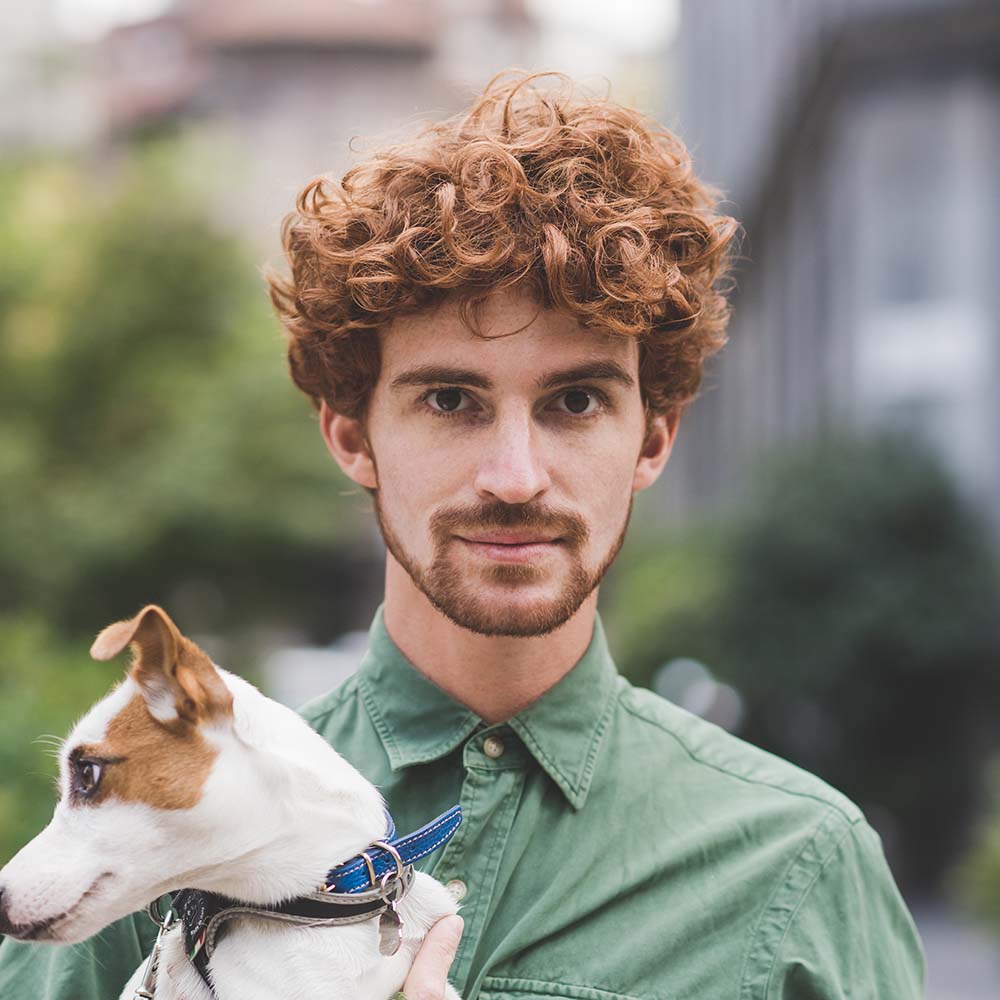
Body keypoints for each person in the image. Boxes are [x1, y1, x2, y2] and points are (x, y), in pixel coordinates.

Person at [0, 71, 924, 999]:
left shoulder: (801, 868)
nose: (516, 476)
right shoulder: (145, 831)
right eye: (451, 399)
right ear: (351, 434)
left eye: (575, 400)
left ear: (651, 437)